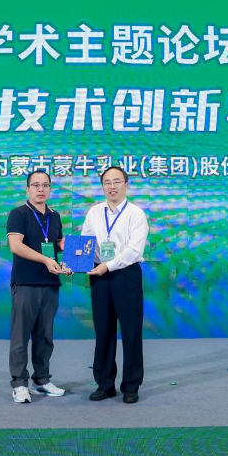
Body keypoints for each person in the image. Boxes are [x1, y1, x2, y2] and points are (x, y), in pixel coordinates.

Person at [81, 166, 149, 404]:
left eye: (117, 181)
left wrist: (108, 266)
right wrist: (75, 262)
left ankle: (131, 385)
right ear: (102, 187)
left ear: (126, 185)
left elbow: (134, 250)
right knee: (103, 331)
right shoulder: (94, 212)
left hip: (126, 275)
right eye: (107, 182)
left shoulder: (135, 214)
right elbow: (86, 242)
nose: (112, 186)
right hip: (99, 276)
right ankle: (105, 384)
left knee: (131, 332)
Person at [6, 169, 68, 403]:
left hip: (50, 282)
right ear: (27, 189)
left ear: (50, 189)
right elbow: (16, 245)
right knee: (20, 336)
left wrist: (71, 258)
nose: (41, 189)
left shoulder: (55, 215)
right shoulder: (18, 214)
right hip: (26, 282)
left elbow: (57, 244)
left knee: (45, 337)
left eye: (45, 185)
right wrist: (45, 260)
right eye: (36, 185)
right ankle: (19, 384)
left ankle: (41, 380)